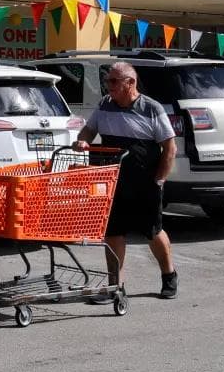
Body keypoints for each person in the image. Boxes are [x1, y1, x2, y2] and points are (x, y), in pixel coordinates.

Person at [73, 61, 179, 299]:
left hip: (144, 182)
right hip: (112, 181)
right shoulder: (104, 104)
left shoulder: (151, 108)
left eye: (113, 81)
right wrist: (82, 141)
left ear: (130, 83)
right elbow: (89, 131)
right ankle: (114, 286)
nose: (107, 85)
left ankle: (168, 275)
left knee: (152, 231)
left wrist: (159, 180)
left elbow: (169, 148)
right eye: (107, 81)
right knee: (113, 233)